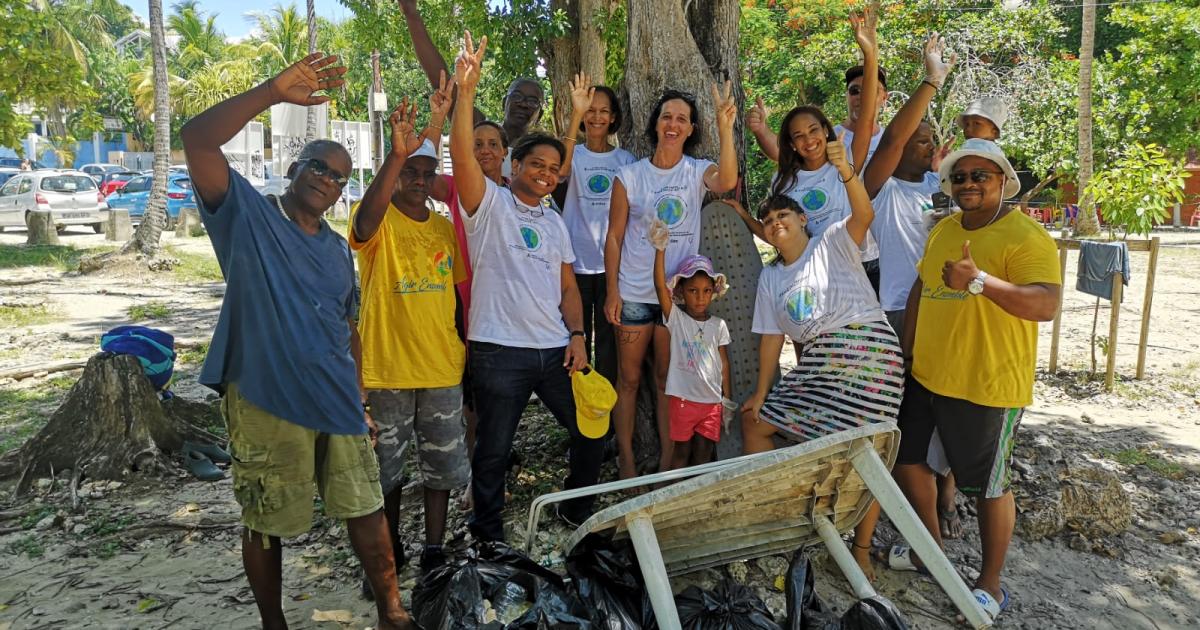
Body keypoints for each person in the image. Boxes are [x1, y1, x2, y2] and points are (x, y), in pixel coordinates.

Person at [180, 53, 414, 629]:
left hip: (336, 398)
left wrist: (359, 398)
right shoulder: (246, 217)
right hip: (264, 395)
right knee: (266, 519)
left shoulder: (337, 250)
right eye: (318, 166)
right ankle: (273, 623)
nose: (327, 180)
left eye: (338, 176)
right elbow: (196, 141)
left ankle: (392, 611)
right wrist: (270, 92)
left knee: (367, 507)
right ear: (294, 168)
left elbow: (348, 329)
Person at [888, 138, 1060, 624]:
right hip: (927, 375)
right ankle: (929, 548)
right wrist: (907, 349)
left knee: (986, 485)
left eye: (980, 176)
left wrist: (979, 281)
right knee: (907, 459)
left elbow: (1046, 305)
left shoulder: (1026, 236)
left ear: (1003, 181)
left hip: (988, 384)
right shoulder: (944, 229)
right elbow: (924, 284)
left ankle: (991, 585)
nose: (969, 185)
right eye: (960, 177)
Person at [450, 32, 603, 538]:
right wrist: (465, 91)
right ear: (514, 167)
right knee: (493, 448)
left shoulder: (556, 221)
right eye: (535, 164)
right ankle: (487, 532)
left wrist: (578, 337)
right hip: (499, 350)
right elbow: (462, 160)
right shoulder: (487, 206)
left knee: (590, 429)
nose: (545, 173)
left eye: (552, 169)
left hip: (555, 349)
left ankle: (577, 511)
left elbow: (566, 289)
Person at [739, 128, 903, 581]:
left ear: (803, 219)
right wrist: (760, 391)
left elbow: (864, 212)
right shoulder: (771, 278)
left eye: (783, 214)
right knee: (754, 424)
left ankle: (862, 550)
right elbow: (771, 338)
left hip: (867, 351)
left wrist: (847, 170)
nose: (775, 222)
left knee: (866, 450)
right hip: (818, 365)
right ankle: (783, 518)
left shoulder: (831, 240)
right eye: (767, 219)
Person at [350, 96, 469, 582]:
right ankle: (389, 549)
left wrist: (463, 352)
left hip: (441, 369)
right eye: (409, 172)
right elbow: (361, 226)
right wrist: (397, 155)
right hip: (388, 370)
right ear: (394, 173)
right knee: (387, 474)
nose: (419, 182)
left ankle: (435, 550)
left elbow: (454, 299)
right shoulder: (376, 219)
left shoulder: (443, 229)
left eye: (426, 173)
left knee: (441, 468)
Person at [603, 84, 738, 480]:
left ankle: (665, 466)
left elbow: (726, 181)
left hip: (675, 301)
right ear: (655, 124)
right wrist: (612, 289)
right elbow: (614, 236)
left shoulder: (697, 171)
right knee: (628, 381)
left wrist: (726, 127)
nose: (673, 124)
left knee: (666, 381)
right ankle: (627, 462)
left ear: (692, 128)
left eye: (681, 118)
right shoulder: (629, 175)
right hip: (633, 292)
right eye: (667, 117)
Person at [860, 33, 959, 541]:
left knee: (946, 404)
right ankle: (903, 499)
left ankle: (945, 486)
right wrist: (929, 81)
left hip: (950, 315)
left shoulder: (946, 194)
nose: (928, 148)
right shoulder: (880, 187)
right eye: (920, 142)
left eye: (931, 143)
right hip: (899, 311)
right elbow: (895, 138)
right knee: (905, 407)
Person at [397, 0, 543, 177]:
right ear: (505, 102)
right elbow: (443, 83)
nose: (524, 104)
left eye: (533, 101)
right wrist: (411, 14)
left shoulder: (542, 157)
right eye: (517, 96)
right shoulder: (479, 129)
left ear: (540, 113)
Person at [558, 73, 635, 385]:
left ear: (613, 117)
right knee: (576, 343)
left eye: (603, 111)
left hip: (612, 267)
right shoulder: (573, 154)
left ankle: (607, 420)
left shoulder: (625, 159)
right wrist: (576, 111)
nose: (596, 116)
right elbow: (560, 170)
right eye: (590, 110)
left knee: (608, 348)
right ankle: (580, 417)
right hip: (574, 264)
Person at [746, 9, 886, 173]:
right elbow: (783, 153)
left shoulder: (892, 140)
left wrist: (871, 53)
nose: (862, 97)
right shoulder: (827, 138)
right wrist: (761, 130)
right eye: (854, 90)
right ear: (846, 95)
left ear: (885, 97)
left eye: (870, 91)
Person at [649, 224, 731, 470]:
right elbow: (659, 287)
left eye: (706, 291)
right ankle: (675, 498)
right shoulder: (677, 320)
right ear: (682, 292)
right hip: (684, 401)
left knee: (703, 457)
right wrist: (660, 249)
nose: (700, 297)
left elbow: (723, 362)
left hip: (711, 403)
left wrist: (727, 398)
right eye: (693, 291)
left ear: (713, 293)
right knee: (681, 454)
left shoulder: (718, 325)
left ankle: (698, 502)